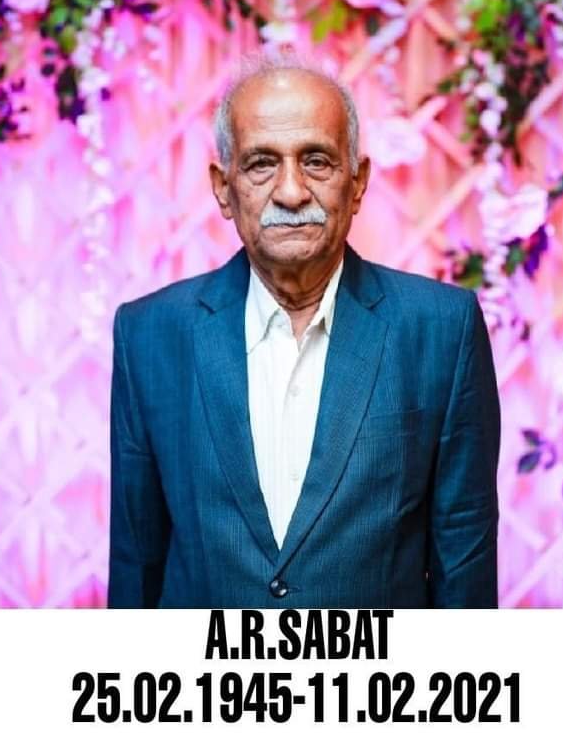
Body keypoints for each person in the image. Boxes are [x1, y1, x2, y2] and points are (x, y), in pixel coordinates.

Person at [107, 53, 501, 608]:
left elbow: (466, 573)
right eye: (261, 164)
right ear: (223, 187)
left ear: (357, 183)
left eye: (316, 161)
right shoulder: (150, 336)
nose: (291, 192)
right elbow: (136, 568)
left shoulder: (441, 330)